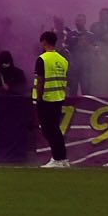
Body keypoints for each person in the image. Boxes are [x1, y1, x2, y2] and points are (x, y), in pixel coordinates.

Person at [33, 30, 70, 168]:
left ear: (44, 42)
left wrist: (39, 99)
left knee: (48, 130)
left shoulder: (42, 59)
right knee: (55, 129)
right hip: (59, 97)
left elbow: (40, 81)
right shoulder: (63, 60)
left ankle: (57, 158)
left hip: (46, 98)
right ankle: (62, 158)